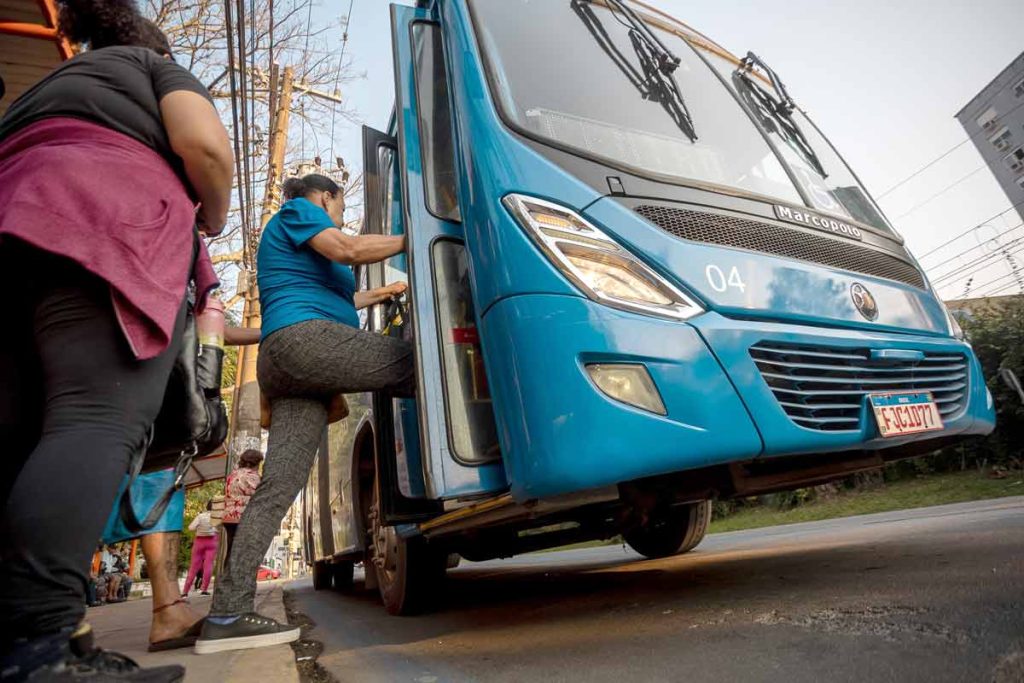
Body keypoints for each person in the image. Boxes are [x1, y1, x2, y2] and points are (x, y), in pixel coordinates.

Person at [0, 0, 233, 675]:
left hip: (14, 222)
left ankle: (69, 642)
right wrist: (210, 217)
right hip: (103, 225)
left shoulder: (47, 87)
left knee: (19, 444)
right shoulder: (151, 66)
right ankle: (34, 653)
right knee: (92, 421)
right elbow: (207, 148)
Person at [197, 174, 412, 654]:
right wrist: (412, 236)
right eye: (339, 206)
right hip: (307, 345)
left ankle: (227, 613)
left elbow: (337, 299)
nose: (337, 215)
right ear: (326, 196)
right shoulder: (299, 210)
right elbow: (348, 250)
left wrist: (380, 294)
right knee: (421, 364)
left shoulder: (296, 250)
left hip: (291, 357)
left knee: (277, 488)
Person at [222, 449, 264, 561]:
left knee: (231, 548)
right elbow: (258, 493)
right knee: (241, 550)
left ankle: (225, 574)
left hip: (228, 517)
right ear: (255, 463)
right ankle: (233, 576)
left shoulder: (233, 474)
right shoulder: (252, 476)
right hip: (242, 517)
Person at [182, 502, 217, 597]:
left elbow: (191, 528)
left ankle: (185, 592)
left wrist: (200, 528)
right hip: (212, 542)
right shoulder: (217, 517)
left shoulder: (200, 516)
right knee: (208, 566)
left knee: (193, 566)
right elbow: (218, 529)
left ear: (207, 506)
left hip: (199, 542)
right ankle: (204, 590)